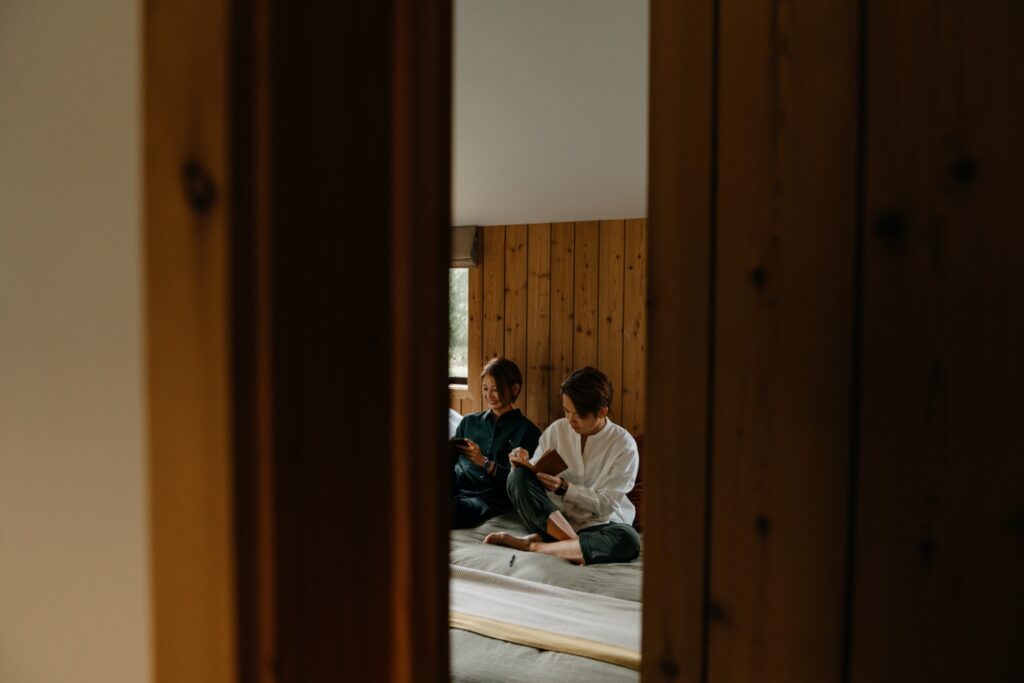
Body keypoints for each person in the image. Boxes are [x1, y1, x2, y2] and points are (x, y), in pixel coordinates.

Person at [484, 366, 640, 565]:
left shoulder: (623, 445)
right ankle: (573, 547)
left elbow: (605, 505)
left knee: (629, 540)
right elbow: (533, 472)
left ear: (602, 411)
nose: (569, 420)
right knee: (516, 477)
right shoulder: (557, 430)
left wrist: (564, 488)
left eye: (578, 415)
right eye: (566, 411)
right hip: (552, 522)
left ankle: (535, 546)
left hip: (600, 526)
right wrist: (522, 461)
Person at [451, 357, 541, 528]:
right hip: (455, 487)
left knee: (450, 510)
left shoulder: (529, 432)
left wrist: (484, 463)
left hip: (486, 500)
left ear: (514, 389)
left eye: (496, 389)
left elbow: (520, 484)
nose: (489, 395)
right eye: (485, 388)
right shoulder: (468, 422)